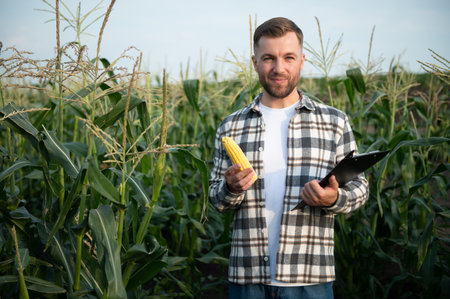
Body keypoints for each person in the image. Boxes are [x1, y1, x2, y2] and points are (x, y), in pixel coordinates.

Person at [208, 17, 369, 299]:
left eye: (288, 57)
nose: (278, 68)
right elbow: (216, 200)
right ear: (255, 61)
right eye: (268, 58)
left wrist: (332, 199)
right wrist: (231, 188)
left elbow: (360, 189)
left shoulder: (334, 122)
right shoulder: (230, 127)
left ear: (302, 60)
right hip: (248, 277)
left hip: (309, 277)